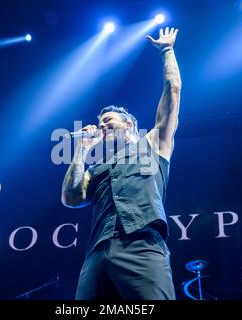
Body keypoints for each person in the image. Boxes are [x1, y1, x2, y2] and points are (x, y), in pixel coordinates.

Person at [61, 27, 181, 299]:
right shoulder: (96, 168)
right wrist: (81, 148)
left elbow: (173, 91)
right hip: (98, 251)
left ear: (129, 125)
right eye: (100, 122)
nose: (101, 126)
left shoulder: (152, 143)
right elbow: (70, 198)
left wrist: (167, 50)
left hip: (141, 245)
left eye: (108, 121)